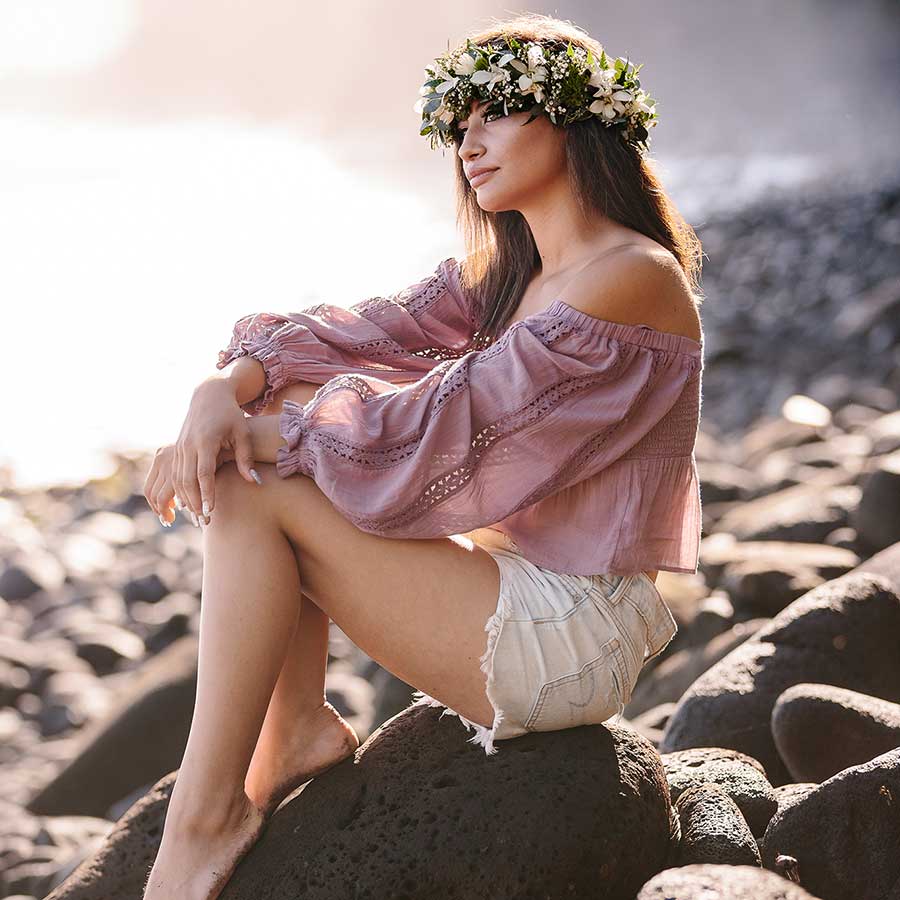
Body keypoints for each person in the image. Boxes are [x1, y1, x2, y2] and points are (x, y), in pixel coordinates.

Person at [140, 12, 704, 899]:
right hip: (517, 598)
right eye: (457, 125)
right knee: (269, 434)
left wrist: (257, 436)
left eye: (494, 116)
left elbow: (444, 427)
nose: (468, 145)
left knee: (260, 473)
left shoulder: (629, 274)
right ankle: (288, 731)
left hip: (571, 632)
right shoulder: (514, 272)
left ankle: (206, 817)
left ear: (572, 119)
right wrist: (223, 389)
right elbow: (361, 330)